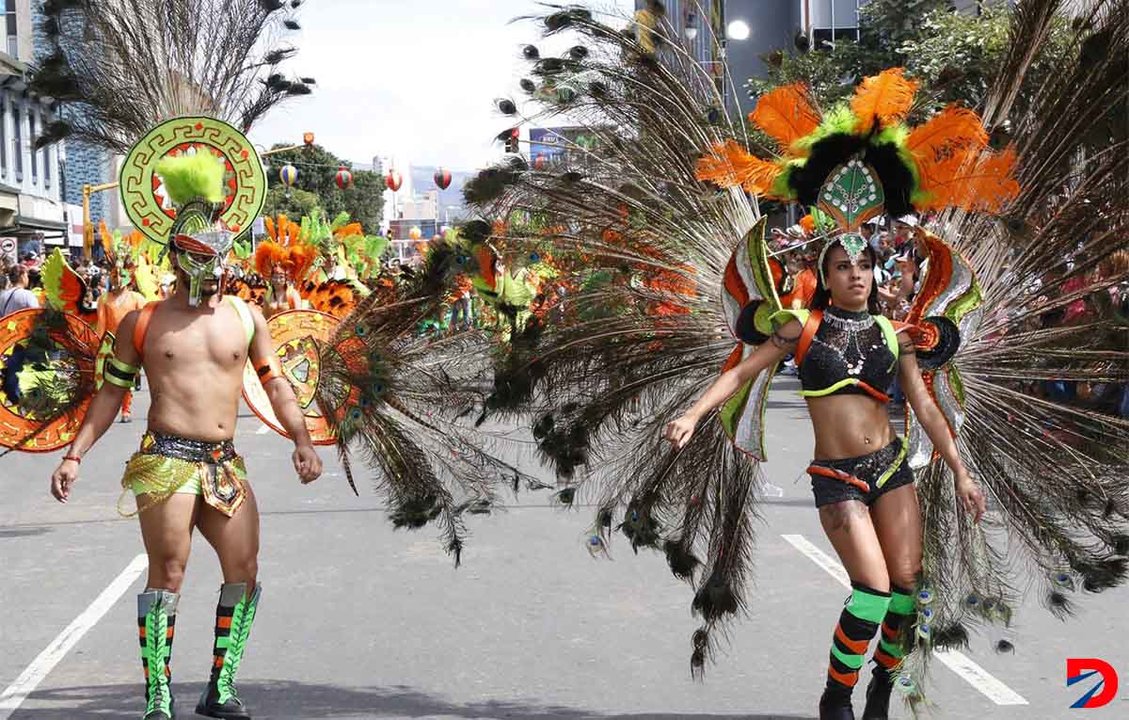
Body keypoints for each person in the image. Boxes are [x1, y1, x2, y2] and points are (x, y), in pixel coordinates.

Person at [49, 147, 323, 720]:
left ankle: (220, 688)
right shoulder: (141, 321)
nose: (216, 268)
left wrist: (300, 438)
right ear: (177, 255)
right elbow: (109, 393)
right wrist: (75, 455)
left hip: (225, 463)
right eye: (202, 255)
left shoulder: (247, 317)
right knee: (168, 572)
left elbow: (274, 385)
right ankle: (158, 693)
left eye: (221, 256)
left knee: (244, 571)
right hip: (165, 460)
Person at [665, 236, 985, 720]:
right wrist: (692, 415)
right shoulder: (803, 328)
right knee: (873, 591)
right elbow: (742, 373)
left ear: (874, 274)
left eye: (863, 265)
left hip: (892, 469)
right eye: (842, 266)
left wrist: (960, 471)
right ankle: (837, 696)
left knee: (907, 589)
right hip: (838, 476)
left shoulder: (894, 333)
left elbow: (924, 406)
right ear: (826, 277)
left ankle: (882, 684)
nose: (855, 273)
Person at [95, 262, 148, 422]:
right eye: (114, 275)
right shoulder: (104, 299)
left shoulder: (137, 298)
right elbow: (101, 324)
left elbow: (144, 322)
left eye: (120, 275)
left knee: (126, 378)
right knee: (106, 379)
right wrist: (98, 344)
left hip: (130, 344)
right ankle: (106, 412)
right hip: (109, 344)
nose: (117, 279)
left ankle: (126, 410)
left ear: (129, 278)